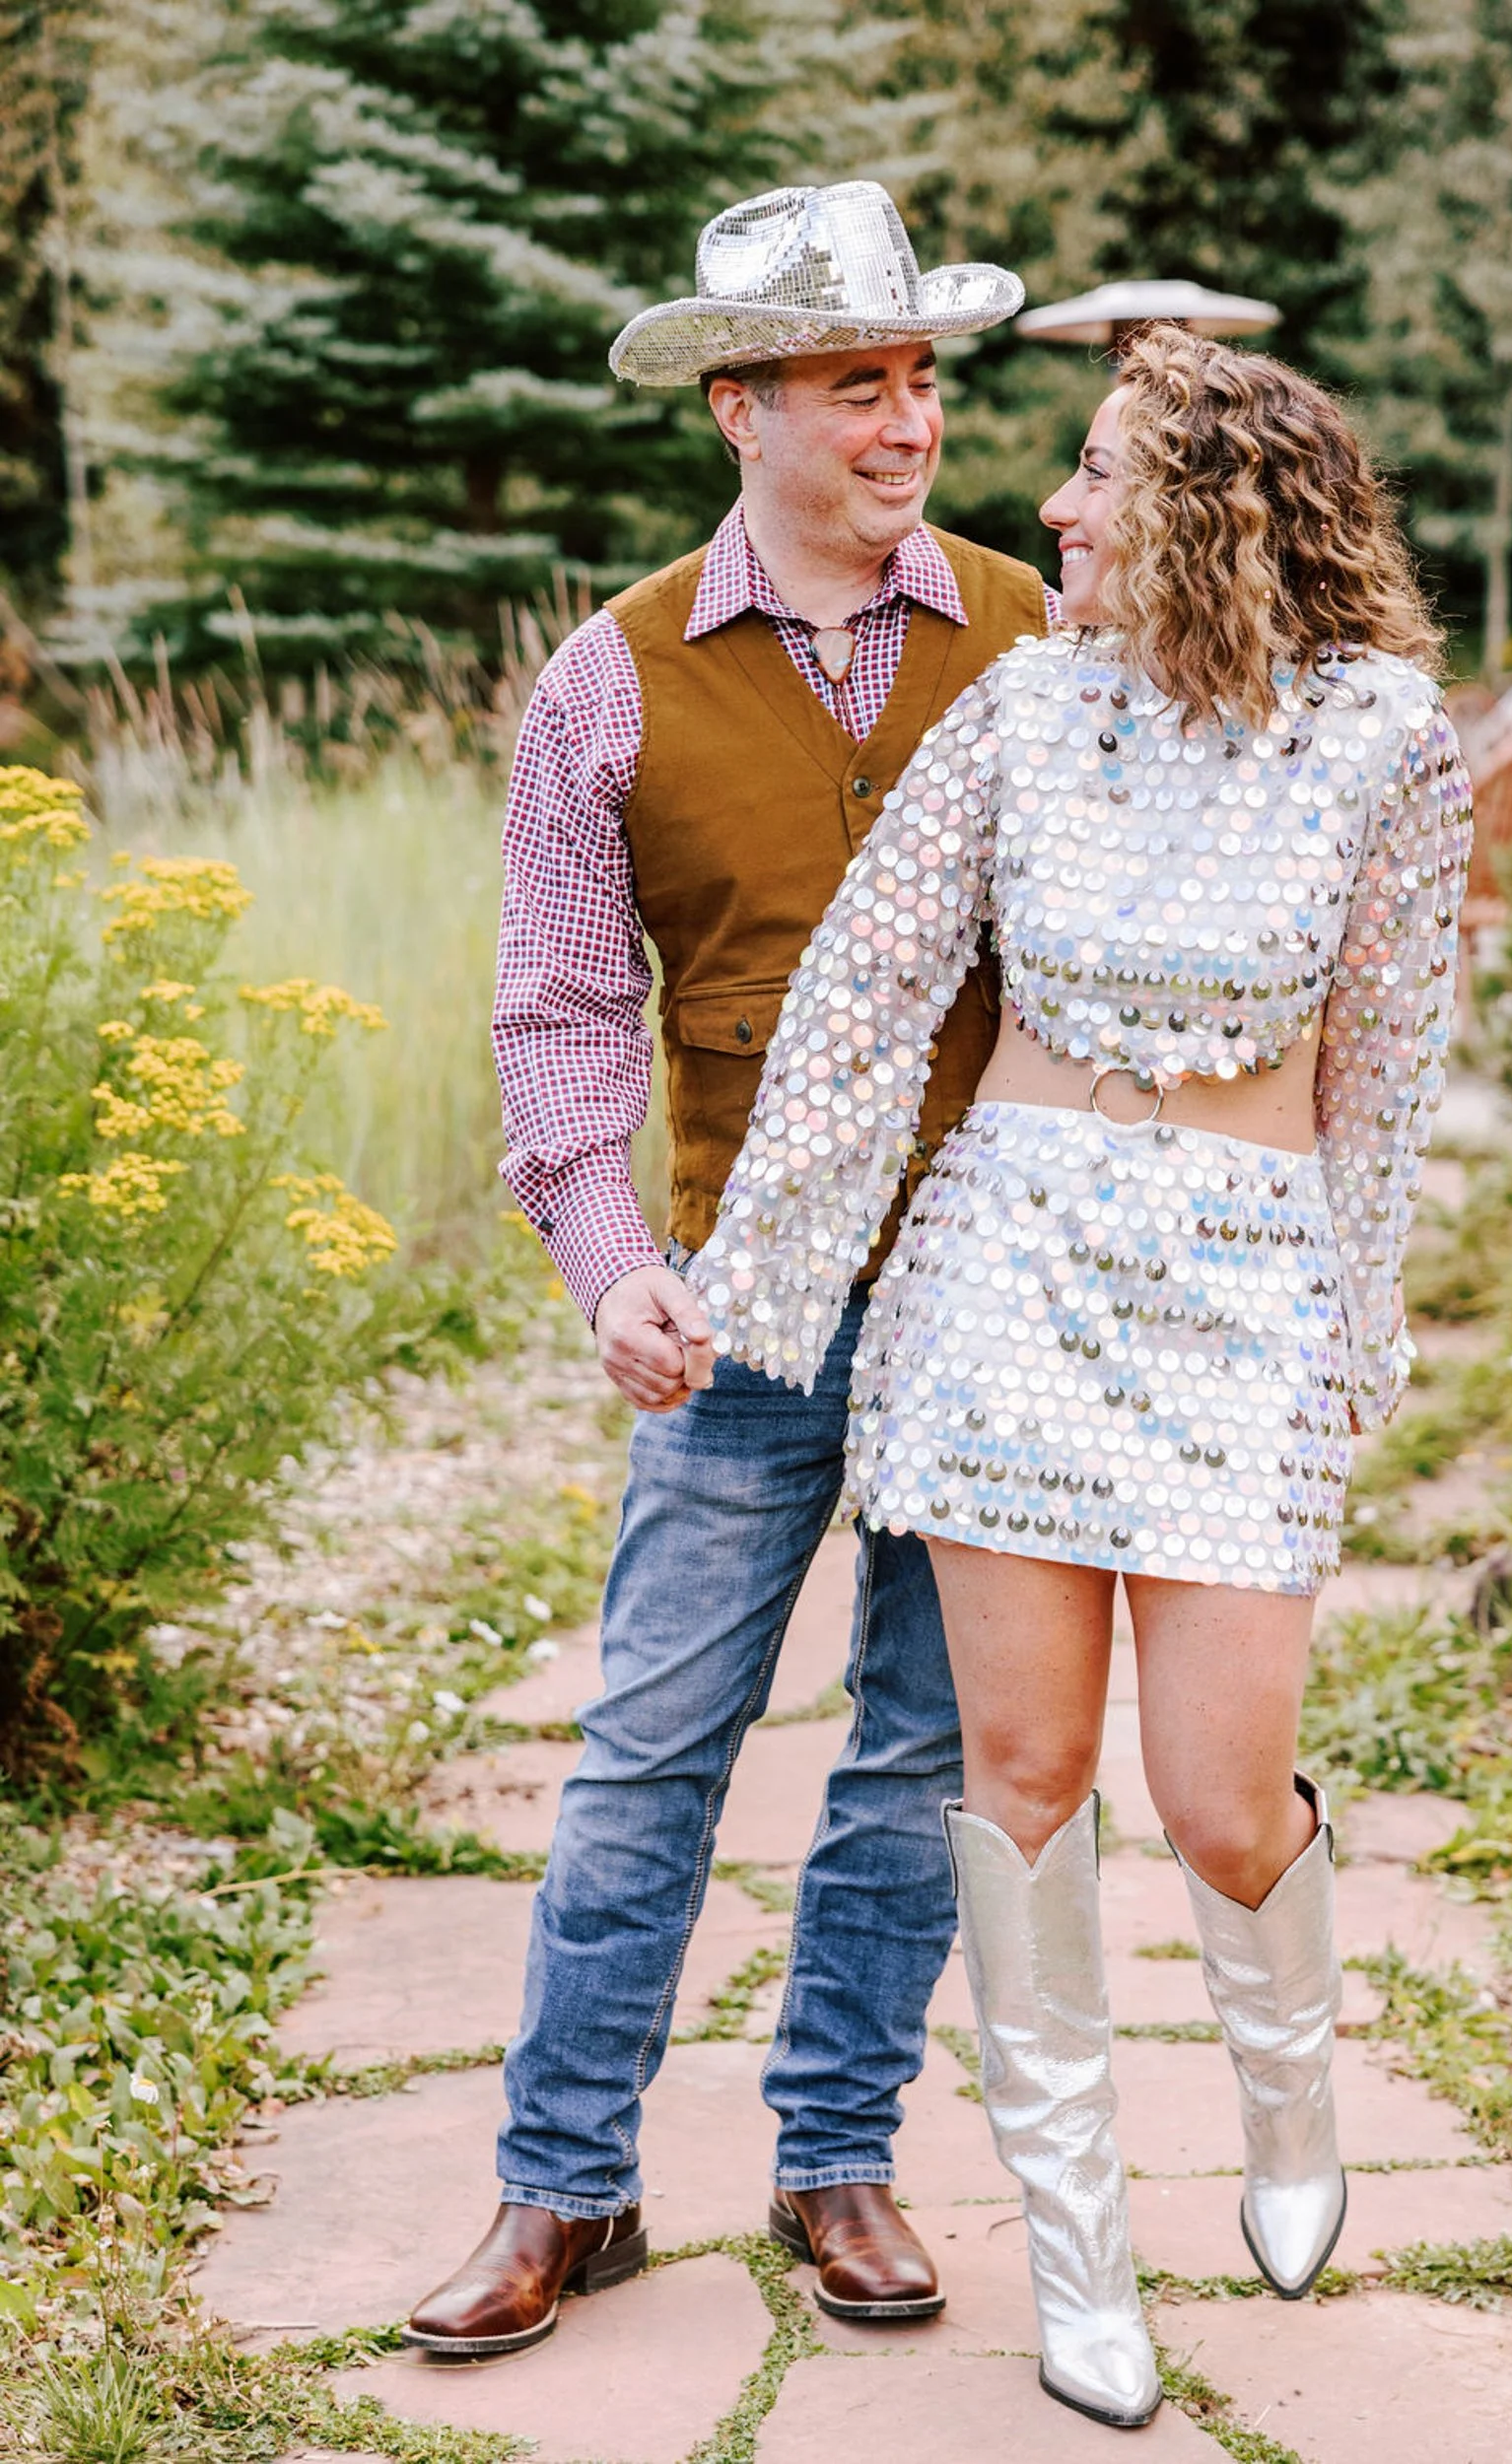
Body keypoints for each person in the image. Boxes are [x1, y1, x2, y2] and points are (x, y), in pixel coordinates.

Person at [691, 329, 1473, 2429]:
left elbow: (1384, 1079)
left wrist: (1352, 1327)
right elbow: (864, 994)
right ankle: (1081, 2255)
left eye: (1101, 473)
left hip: (1241, 1299)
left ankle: (1292, 2102)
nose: (1055, 505)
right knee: (1020, 1786)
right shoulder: (1025, 708)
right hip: (1007, 1286)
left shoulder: (1388, 738)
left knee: (1221, 1804)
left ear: (1213, 507)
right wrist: (742, 1276)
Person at [403, 180, 1058, 2361]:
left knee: (921, 1747)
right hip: (744, 1299)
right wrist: (609, 1269)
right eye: (860, 383)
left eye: (924, 378)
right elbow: (565, 1015)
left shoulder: (1038, 633)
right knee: (652, 1742)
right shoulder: (608, 678)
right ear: (740, 406)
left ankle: (837, 2151)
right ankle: (562, 2181)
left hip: (995, 1295)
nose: (910, 421)